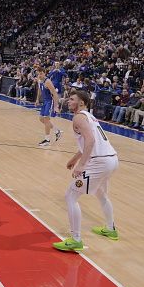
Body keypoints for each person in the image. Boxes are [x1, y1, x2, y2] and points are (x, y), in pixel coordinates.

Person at [53, 90, 119, 252]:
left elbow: (90, 141)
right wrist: (75, 159)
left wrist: (81, 165)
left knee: (71, 195)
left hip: (99, 162)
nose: (68, 101)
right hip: (111, 159)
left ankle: (76, 239)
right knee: (101, 194)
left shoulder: (78, 117)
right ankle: (110, 229)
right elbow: (87, 143)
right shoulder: (89, 116)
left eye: (72, 99)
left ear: (81, 103)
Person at [35, 67, 63, 146]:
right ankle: (57, 131)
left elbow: (55, 94)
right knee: (41, 119)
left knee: (46, 119)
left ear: (44, 73)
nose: (39, 75)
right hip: (44, 101)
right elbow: (39, 90)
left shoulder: (48, 82)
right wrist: (37, 99)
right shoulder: (39, 80)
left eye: (41, 74)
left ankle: (47, 140)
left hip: (50, 101)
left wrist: (55, 106)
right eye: (38, 74)